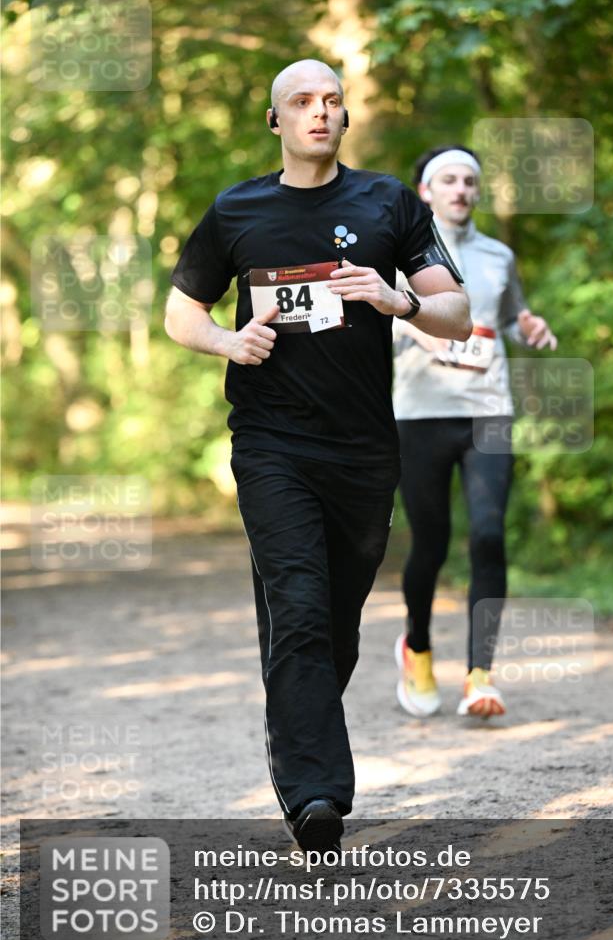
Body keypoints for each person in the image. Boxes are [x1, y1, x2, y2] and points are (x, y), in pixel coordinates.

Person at [164, 63, 470, 854]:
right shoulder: (237, 208)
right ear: (275, 121)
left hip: (365, 450)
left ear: (344, 117)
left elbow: (456, 313)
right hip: (270, 442)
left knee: (330, 626)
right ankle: (317, 797)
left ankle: (296, 728)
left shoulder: (387, 203)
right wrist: (230, 341)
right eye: (302, 102)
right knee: (296, 606)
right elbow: (179, 312)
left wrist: (396, 298)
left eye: (331, 101)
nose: (319, 113)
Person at [393, 144, 557, 720]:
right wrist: (419, 328)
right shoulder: (397, 257)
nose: (461, 189)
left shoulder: (497, 256)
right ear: (426, 193)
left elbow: (509, 314)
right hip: (419, 413)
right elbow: (375, 326)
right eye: (449, 180)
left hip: (488, 410)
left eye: (470, 181)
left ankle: (480, 675)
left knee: (488, 533)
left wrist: (527, 324)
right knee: (431, 544)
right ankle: (416, 647)